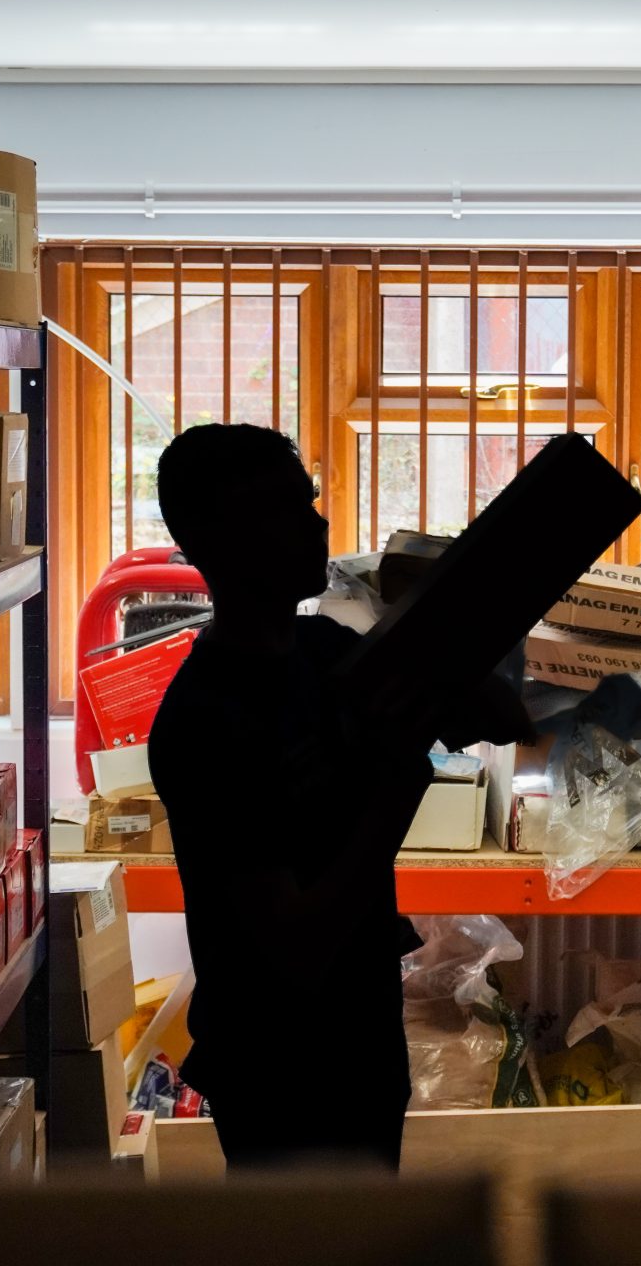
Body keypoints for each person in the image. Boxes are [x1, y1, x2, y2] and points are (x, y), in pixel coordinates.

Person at [148, 422, 530, 1173]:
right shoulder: (206, 720)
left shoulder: (325, 656)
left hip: (358, 1035)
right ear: (216, 539)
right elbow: (293, 943)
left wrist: (438, 620)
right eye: (288, 508)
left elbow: (502, 717)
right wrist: (394, 792)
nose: (318, 523)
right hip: (277, 1061)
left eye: (310, 502)